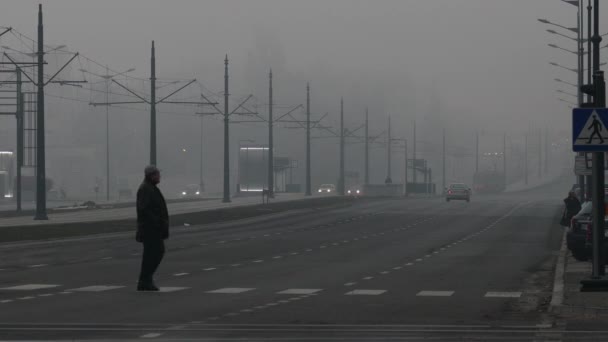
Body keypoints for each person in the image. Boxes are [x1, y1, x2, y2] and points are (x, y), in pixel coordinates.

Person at [136, 165, 169, 291]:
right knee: (154, 253)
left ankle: (146, 280)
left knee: (153, 254)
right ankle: (145, 280)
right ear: (151, 176)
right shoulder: (146, 189)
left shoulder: (150, 188)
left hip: (153, 229)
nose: (159, 177)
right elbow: (144, 210)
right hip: (150, 230)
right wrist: (157, 222)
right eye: (157, 174)